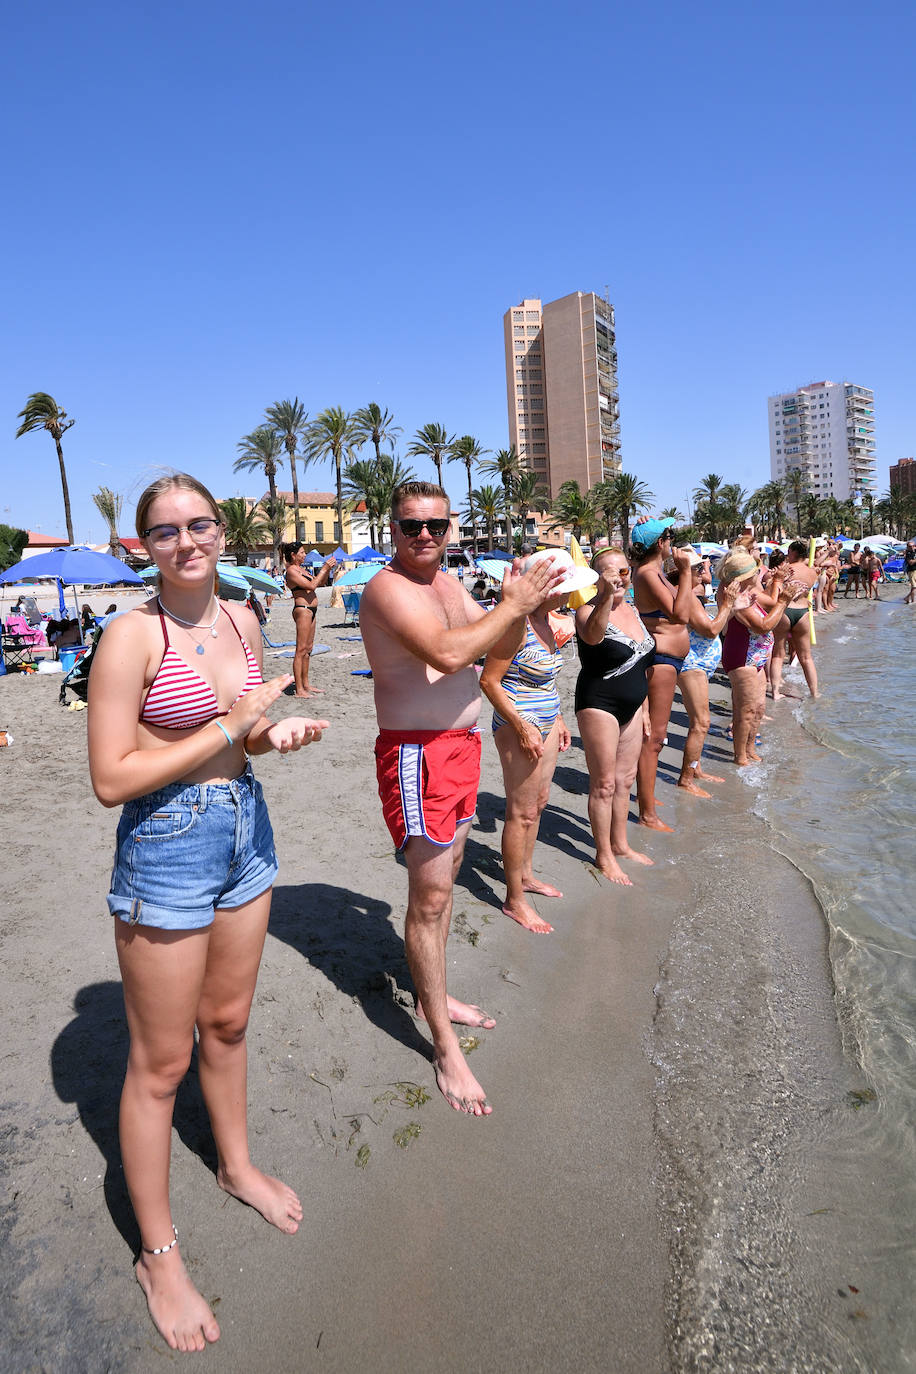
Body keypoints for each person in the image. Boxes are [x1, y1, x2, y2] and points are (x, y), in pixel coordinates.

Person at [87, 473, 327, 1353]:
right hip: (167, 843)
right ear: (143, 545)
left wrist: (273, 735)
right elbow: (111, 777)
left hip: (244, 830)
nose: (186, 542)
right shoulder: (128, 636)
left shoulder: (242, 620)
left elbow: (248, 726)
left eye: (200, 525)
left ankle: (235, 1166)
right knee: (159, 1064)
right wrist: (230, 731)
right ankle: (158, 1253)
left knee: (225, 1026)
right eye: (164, 531)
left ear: (222, 532)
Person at [359, 481, 562, 1115]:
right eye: (410, 526)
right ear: (390, 528)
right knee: (431, 896)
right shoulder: (388, 588)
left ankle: (431, 996)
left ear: (451, 527)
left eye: (436, 526)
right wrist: (510, 608)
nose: (424, 536)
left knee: (444, 884)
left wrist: (523, 608)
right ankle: (444, 1048)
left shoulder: (449, 585)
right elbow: (448, 654)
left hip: (461, 746)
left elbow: (488, 651)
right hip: (417, 753)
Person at [480, 551, 592, 932]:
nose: (568, 596)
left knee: (539, 803)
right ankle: (514, 900)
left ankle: (525, 875)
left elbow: (545, 679)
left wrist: (558, 718)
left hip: (545, 720)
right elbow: (489, 682)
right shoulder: (517, 624)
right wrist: (522, 725)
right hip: (517, 725)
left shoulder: (548, 620)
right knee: (521, 811)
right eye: (563, 589)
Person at [574, 548, 656, 884]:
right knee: (604, 784)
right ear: (596, 577)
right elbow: (593, 636)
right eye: (609, 573)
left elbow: (642, 665)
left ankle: (620, 844)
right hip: (599, 703)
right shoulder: (586, 611)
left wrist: (646, 709)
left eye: (623, 571)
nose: (618, 578)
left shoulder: (634, 611)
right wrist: (606, 595)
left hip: (633, 707)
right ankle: (603, 855)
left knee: (625, 781)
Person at [630, 519, 694, 830]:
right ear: (660, 543)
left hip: (669, 658)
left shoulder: (652, 571)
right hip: (661, 658)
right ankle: (647, 814)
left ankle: (647, 797)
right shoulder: (646, 573)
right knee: (653, 738)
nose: (673, 541)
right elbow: (680, 615)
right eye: (669, 536)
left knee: (654, 737)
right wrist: (685, 571)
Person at [672, 550, 744, 796]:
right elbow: (712, 630)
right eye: (700, 568)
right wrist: (728, 604)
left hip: (698, 664)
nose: (705, 571)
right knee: (701, 723)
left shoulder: (691, 595)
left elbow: (711, 624)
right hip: (692, 664)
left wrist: (729, 608)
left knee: (698, 723)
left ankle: (696, 769)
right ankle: (686, 778)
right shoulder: (690, 597)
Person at [718, 550, 797, 765]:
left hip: (757, 657)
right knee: (746, 710)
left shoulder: (748, 591)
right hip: (742, 657)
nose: (759, 572)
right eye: (755, 570)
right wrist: (783, 602)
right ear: (745, 575)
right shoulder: (733, 596)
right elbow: (762, 626)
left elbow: (771, 603)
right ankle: (740, 756)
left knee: (759, 708)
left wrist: (782, 590)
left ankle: (750, 748)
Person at [282, 542, 337, 697]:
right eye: (302, 552)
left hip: (311, 610)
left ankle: (306, 684)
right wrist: (325, 568)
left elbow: (320, 582)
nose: (304, 555)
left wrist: (327, 570)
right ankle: (299, 689)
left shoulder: (302, 569)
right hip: (303, 610)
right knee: (300, 650)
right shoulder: (292, 571)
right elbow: (312, 586)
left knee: (308, 649)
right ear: (293, 555)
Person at [769, 541, 820, 699]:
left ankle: (776, 692)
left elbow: (773, 587)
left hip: (785, 610)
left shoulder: (787, 569)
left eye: (788, 552)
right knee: (806, 657)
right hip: (803, 612)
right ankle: (814, 692)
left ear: (792, 552)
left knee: (778, 654)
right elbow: (808, 590)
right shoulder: (812, 572)